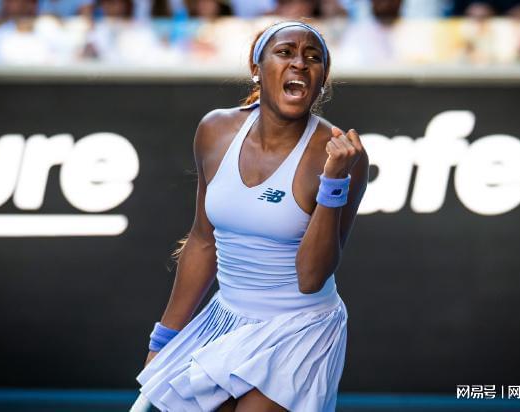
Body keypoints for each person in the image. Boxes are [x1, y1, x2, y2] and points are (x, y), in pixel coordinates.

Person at [131, 20, 369, 412]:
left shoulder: (340, 156)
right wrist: (164, 340)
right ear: (256, 67)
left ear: (322, 80)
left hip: (300, 331)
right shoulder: (215, 130)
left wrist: (333, 181)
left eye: (313, 58)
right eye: (285, 52)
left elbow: (311, 277)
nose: (299, 63)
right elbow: (203, 241)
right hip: (225, 321)